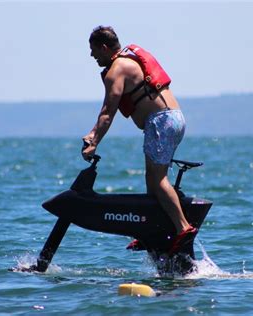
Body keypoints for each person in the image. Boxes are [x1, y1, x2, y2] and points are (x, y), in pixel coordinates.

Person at [81, 25, 197, 255]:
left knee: (157, 179)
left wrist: (93, 139)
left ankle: (183, 228)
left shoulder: (117, 70)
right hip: (174, 118)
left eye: (93, 50)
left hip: (161, 122)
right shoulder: (129, 60)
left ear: (104, 48)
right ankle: (151, 230)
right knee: (151, 178)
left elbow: (107, 112)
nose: (92, 55)